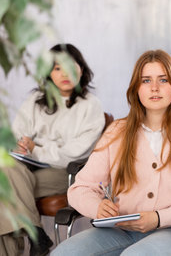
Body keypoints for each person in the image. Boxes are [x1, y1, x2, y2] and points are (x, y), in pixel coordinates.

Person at [51, 50, 171, 256]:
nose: (154, 87)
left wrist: (160, 217)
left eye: (163, 79)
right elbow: (80, 188)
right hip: (119, 231)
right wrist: (97, 207)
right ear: (136, 88)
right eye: (146, 80)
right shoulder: (117, 131)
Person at [0, 44, 105, 256]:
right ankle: (36, 234)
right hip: (26, 170)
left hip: (65, 172)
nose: (64, 73)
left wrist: (36, 149)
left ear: (81, 70)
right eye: (57, 68)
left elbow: (75, 152)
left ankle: (32, 237)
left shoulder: (90, 105)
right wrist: (21, 144)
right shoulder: (35, 101)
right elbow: (18, 133)